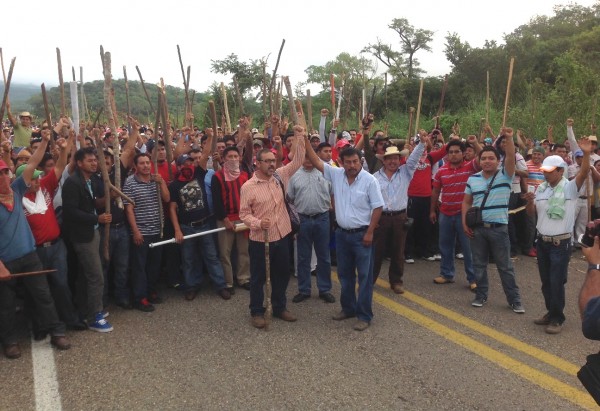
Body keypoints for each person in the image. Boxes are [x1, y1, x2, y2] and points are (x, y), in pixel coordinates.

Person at [306, 127, 384, 331]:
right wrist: (302, 138)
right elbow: (314, 160)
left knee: (365, 277)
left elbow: (378, 207)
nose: (351, 165)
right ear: (341, 162)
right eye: (348, 162)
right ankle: (348, 308)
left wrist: (370, 232)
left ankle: (364, 315)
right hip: (341, 235)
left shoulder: (370, 180)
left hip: (362, 236)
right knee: (344, 274)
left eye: (355, 162)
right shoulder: (336, 174)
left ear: (360, 162)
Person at [0, 145, 71, 358]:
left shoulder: (17, 190)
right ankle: (10, 340)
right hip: (5, 262)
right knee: (6, 304)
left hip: (30, 257)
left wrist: (45, 142)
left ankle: (57, 331)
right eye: (0, 174)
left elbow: (31, 164)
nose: (4, 177)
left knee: (43, 296)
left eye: (5, 172)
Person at [239, 124, 307, 329]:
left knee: (282, 273)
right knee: (259, 277)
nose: (271, 164)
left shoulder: (280, 176)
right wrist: (259, 223)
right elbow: (244, 214)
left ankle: (279, 306)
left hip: (282, 235)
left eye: (273, 160)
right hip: (261, 239)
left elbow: (298, 160)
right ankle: (257, 311)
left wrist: (299, 137)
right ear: (257, 163)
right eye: (266, 161)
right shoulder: (248, 187)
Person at [523, 136, 592, 334]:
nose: (545, 174)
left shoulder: (570, 188)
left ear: (561, 171)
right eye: (544, 171)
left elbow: (585, 171)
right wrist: (529, 201)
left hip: (560, 245)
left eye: (549, 172)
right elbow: (531, 213)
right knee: (546, 282)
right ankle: (550, 312)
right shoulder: (541, 189)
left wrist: (586, 153)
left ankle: (557, 318)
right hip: (542, 243)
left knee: (556, 281)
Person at [18, 130, 85, 333]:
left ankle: (70, 319)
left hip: (56, 247)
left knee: (61, 285)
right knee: (38, 291)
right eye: (34, 178)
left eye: (39, 178)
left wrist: (65, 150)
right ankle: (40, 325)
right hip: (34, 251)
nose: (38, 180)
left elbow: (58, 168)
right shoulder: (16, 197)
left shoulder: (45, 187)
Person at [462, 128, 525, 313]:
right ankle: (480, 295)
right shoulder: (472, 179)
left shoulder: (506, 175)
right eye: (483, 158)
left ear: (499, 161)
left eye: (491, 158)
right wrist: (465, 223)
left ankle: (515, 300)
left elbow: (511, 156)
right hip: (478, 229)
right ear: (478, 161)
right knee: (479, 265)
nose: (487, 161)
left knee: (505, 267)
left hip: (499, 229)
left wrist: (510, 138)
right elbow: (466, 202)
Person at [170, 130, 231, 302]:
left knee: (211, 256)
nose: (189, 166)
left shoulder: (198, 173)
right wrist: (177, 230)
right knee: (189, 259)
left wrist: (211, 137)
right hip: (187, 228)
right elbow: (173, 209)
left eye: (191, 163)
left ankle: (221, 285)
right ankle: (192, 286)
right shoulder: (174, 185)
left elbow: (205, 154)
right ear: (180, 167)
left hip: (205, 224)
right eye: (186, 164)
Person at [62, 147, 114, 332]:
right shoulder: (72, 183)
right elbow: (70, 212)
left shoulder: (89, 180)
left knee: (89, 275)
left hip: (93, 233)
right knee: (96, 276)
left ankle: (87, 309)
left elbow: (90, 204)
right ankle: (94, 317)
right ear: (79, 163)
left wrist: (109, 196)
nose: (94, 163)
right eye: (90, 160)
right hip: (83, 237)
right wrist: (96, 219)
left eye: (95, 160)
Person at [372, 131, 427, 294]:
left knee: (398, 251)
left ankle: (396, 281)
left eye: (396, 158)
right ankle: (370, 279)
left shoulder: (406, 172)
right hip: (380, 217)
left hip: (399, 216)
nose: (393, 162)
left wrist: (422, 144)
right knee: (376, 251)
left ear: (399, 159)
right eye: (389, 159)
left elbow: (414, 159)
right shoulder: (374, 177)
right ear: (384, 161)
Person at [431, 137, 481, 289]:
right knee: (445, 246)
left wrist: (475, 144)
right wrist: (432, 210)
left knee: (468, 248)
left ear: (463, 153)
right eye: (451, 152)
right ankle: (446, 274)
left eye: (457, 152)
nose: (453, 155)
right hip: (445, 213)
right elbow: (436, 191)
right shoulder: (441, 171)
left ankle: (473, 279)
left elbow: (482, 155)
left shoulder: (470, 167)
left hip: (464, 215)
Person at [123, 153, 170, 312]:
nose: (145, 166)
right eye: (142, 163)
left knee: (154, 265)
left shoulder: (156, 179)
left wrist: (161, 183)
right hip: (141, 232)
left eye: (147, 163)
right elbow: (128, 209)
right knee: (139, 267)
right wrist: (135, 231)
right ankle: (139, 297)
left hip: (158, 230)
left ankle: (151, 292)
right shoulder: (130, 183)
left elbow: (167, 198)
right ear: (135, 166)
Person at [287, 152, 335, 304]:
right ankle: (304, 289)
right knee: (303, 257)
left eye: (311, 157)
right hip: (303, 220)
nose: (308, 160)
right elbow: (290, 198)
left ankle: (325, 289)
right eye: (305, 157)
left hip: (322, 218)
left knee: (324, 257)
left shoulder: (326, 173)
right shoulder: (294, 175)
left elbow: (333, 193)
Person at [212, 145, 251, 292]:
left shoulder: (245, 175)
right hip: (225, 219)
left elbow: (249, 198)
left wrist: (248, 217)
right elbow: (216, 201)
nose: (233, 159)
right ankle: (228, 282)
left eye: (236, 156)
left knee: (243, 250)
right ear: (223, 159)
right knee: (225, 252)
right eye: (230, 157)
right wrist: (225, 219)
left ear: (240, 158)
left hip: (243, 218)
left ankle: (243, 278)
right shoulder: (218, 176)